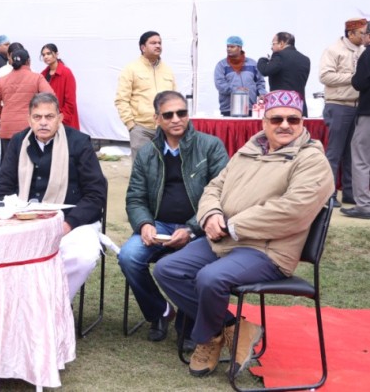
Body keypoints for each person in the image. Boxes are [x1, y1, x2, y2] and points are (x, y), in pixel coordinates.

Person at [153, 90, 333, 378]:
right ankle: (230, 328)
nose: (285, 125)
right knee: (167, 269)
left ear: (303, 122)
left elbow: (294, 210)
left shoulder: (311, 160)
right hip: (225, 240)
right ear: (264, 122)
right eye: (276, 119)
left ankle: (207, 338)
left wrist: (233, 225)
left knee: (210, 278)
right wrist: (211, 215)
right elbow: (214, 187)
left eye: (293, 119)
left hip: (268, 249)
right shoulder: (249, 150)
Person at [118, 91, 228, 345]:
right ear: (157, 119)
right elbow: (135, 197)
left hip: (200, 226)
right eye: (168, 115)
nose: (176, 119)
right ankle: (160, 312)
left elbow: (224, 194)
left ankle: (189, 323)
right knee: (128, 257)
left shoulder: (210, 146)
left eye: (182, 113)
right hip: (159, 225)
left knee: (187, 264)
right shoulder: (147, 153)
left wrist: (191, 229)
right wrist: (144, 224)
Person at [0, 92, 107, 300]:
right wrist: (16, 216)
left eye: (49, 116)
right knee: (0, 254)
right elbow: (2, 188)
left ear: (59, 118)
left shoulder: (79, 143)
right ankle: (27, 306)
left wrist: (67, 225)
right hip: (24, 221)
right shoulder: (18, 142)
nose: (43, 122)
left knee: (82, 257)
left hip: (72, 223)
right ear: (29, 119)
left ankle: (56, 304)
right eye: (37, 117)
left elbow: (95, 194)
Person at [319, 18, 366, 207]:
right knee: (335, 152)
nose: (365, 36)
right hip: (339, 104)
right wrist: (354, 78)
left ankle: (350, 192)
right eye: (362, 33)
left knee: (353, 154)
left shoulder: (363, 50)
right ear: (351, 33)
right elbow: (325, 76)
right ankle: (328, 194)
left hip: (358, 106)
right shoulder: (334, 50)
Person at [115, 31, 177, 160]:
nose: (158, 45)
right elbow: (121, 99)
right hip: (141, 129)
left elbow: (175, 99)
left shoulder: (167, 70)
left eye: (159, 43)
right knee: (143, 167)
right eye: (153, 43)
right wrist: (131, 125)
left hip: (165, 128)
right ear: (143, 47)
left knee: (166, 166)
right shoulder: (131, 69)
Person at [0, 48, 54, 162]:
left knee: (8, 163)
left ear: (11, 61)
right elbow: (51, 97)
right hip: (29, 127)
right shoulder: (37, 78)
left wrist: (2, 114)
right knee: (29, 162)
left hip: (8, 127)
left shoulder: (2, 80)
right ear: (28, 61)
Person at [257, 31, 311, 116]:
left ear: (281, 43)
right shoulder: (305, 59)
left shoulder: (279, 56)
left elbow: (265, 70)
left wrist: (263, 60)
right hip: (299, 106)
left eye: (273, 44)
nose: (271, 48)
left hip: (282, 107)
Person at [213, 36, 267, 116]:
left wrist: (262, 93)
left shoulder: (252, 64)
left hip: (250, 107)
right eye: (227, 47)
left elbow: (260, 82)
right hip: (229, 108)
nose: (229, 49)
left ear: (240, 48)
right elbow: (219, 84)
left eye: (232, 47)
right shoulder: (222, 65)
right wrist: (237, 91)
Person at [346, 40, 370, 219]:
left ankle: (363, 205)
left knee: (361, 159)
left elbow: (359, 82)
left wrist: (354, 75)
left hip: (368, 112)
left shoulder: (367, 54)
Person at [40, 43, 80, 129]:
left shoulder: (66, 73)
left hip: (64, 121)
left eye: (48, 53)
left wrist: (61, 119)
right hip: (49, 120)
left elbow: (70, 102)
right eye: (43, 55)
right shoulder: (43, 74)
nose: (46, 57)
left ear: (56, 54)